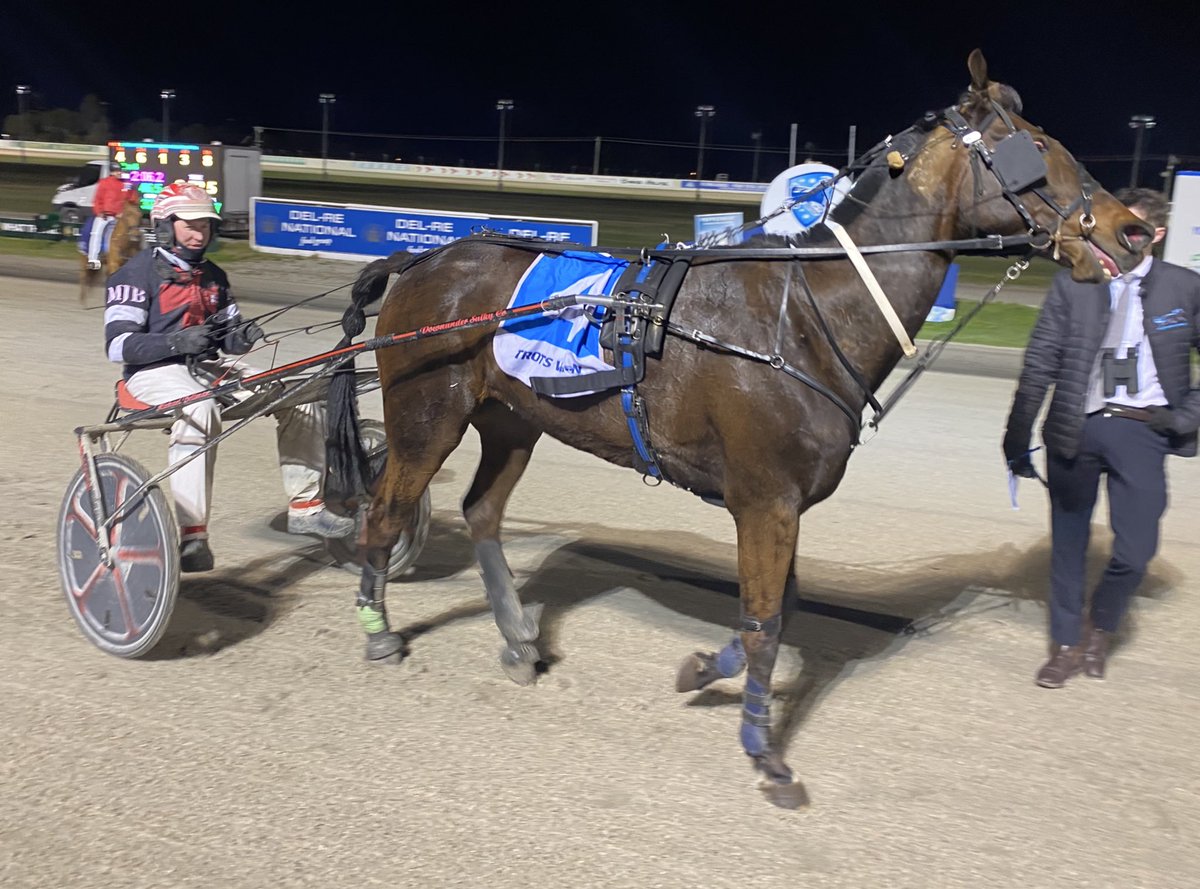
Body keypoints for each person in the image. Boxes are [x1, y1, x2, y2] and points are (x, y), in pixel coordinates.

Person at [1003, 187, 1200, 688]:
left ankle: (1101, 627)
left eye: (1130, 230)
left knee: (1136, 551)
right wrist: (1016, 435)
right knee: (1067, 544)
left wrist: (1185, 417)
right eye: (1110, 227)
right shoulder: (1076, 284)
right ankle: (1067, 645)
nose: (1115, 238)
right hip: (1076, 427)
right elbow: (1040, 361)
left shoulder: (1184, 287)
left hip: (1144, 431)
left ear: (1155, 235)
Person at [103, 181, 355, 572]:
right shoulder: (134, 275)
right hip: (151, 374)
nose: (198, 232)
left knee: (300, 394)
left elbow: (228, 337)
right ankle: (193, 536)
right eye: (189, 224)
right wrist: (175, 342)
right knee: (200, 409)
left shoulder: (215, 276)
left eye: (204, 224)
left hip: (206, 369)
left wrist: (240, 336)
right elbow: (117, 346)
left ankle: (305, 506)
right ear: (166, 225)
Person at [86, 164, 137, 269]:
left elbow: (132, 199)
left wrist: (126, 210)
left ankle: (110, 257)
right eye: (116, 171)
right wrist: (99, 211)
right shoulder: (104, 183)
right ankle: (93, 259)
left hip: (117, 217)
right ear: (111, 172)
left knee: (112, 238)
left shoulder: (126, 184)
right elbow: (98, 199)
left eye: (120, 171)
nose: (119, 173)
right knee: (96, 234)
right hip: (103, 215)